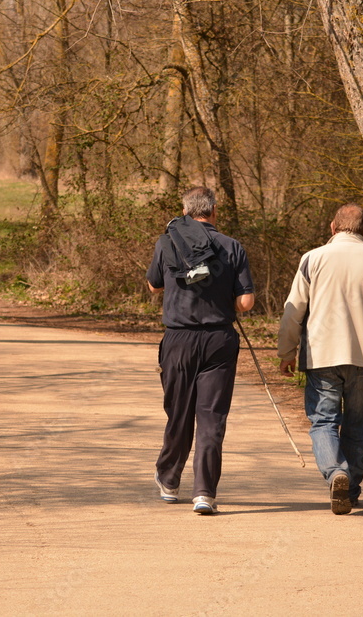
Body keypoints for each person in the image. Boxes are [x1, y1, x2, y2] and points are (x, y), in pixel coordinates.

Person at [277, 203, 363, 515]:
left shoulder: (313, 259)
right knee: (357, 422)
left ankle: (336, 472)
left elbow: (293, 310)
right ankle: (350, 490)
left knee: (323, 420)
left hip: (321, 355)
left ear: (333, 227)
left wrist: (286, 352)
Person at [146, 186, 255, 515]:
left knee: (179, 413)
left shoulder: (167, 241)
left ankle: (169, 481)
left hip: (178, 339)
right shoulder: (232, 246)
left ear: (185, 211)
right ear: (214, 210)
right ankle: (205, 493)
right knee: (211, 418)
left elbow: (154, 285)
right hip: (219, 341)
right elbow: (246, 302)